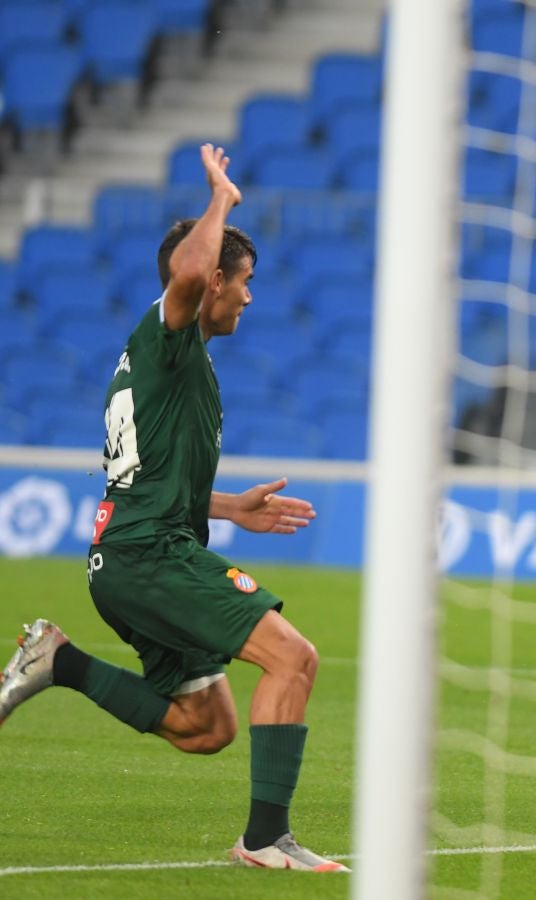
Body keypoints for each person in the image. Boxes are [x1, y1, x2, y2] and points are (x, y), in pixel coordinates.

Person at [0, 144, 347, 873]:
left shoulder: (174, 363)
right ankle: (265, 839)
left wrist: (227, 507)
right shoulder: (170, 333)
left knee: (203, 726)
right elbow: (188, 269)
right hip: (149, 556)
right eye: (243, 281)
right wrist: (222, 199)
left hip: (133, 552)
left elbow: (147, 477)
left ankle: (58, 663)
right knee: (295, 658)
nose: (250, 297)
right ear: (213, 279)